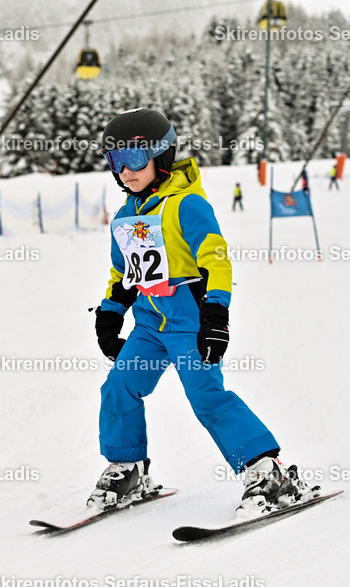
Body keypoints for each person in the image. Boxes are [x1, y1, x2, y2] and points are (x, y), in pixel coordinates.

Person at [90, 108, 319, 518]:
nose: (125, 171)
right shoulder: (125, 217)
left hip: (189, 326)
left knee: (206, 397)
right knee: (118, 388)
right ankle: (128, 467)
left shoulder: (187, 205)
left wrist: (216, 315)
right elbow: (122, 273)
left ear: (161, 155)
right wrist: (110, 314)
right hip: (148, 327)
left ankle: (268, 472)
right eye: (115, 161)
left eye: (135, 159)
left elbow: (216, 260)